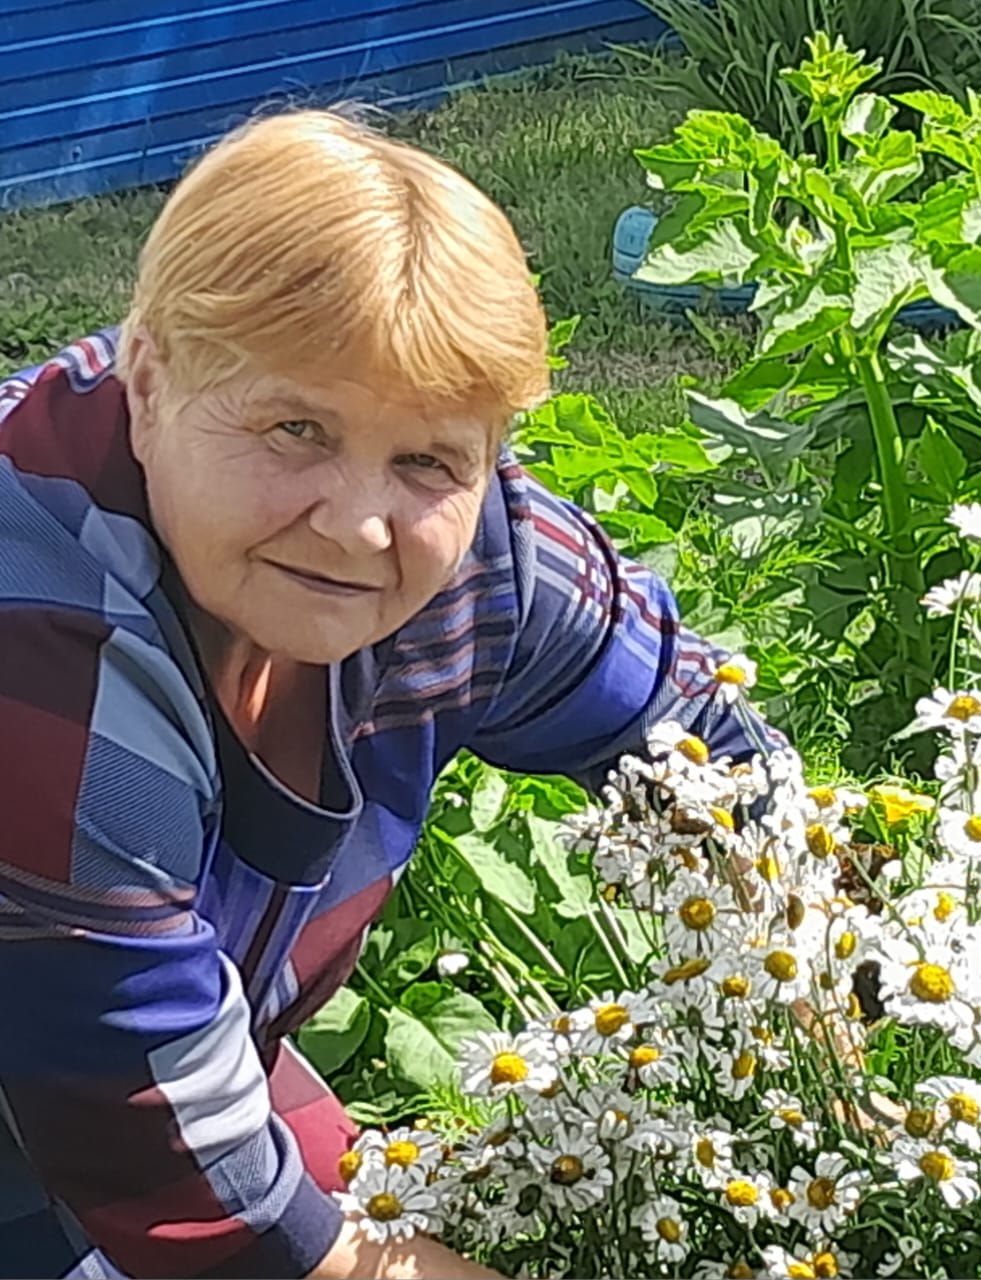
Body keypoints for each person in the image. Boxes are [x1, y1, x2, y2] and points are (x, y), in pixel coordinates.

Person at [0, 108, 783, 1279]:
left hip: (140, 1074)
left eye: (426, 458)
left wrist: (827, 1047)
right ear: (150, 381)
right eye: (295, 428)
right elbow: (211, 1216)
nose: (360, 524)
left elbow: (715, 754)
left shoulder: (482, 557)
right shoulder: (40, 652)